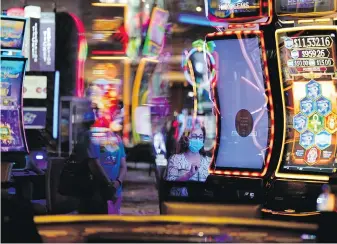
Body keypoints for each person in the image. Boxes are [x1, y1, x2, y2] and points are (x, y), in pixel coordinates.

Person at [165, 125, 210, 197]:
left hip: (203, 203)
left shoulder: (208, 161)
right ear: (186, 139)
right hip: (180, 203)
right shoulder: (175, 159)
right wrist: (188, 174)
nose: (198, 140)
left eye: (200, 137)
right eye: (194, 137)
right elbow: (170, 183)